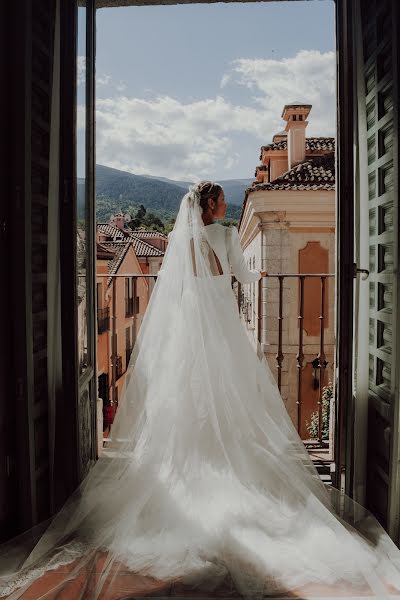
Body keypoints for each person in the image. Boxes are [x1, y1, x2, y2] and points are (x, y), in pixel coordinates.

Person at [1, 182, 400, 599]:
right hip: (221, 324)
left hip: (191, 328)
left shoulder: (180, 239)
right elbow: (243, 275)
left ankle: (190, 462)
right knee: (233, 391)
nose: (226, 205)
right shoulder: (226, 235)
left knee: (189, 393)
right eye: (222, 200)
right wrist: (257, 274)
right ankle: (229, 459)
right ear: (210, 205)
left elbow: (179, 288)